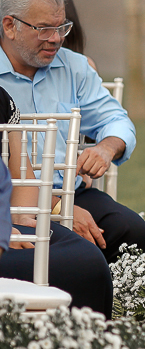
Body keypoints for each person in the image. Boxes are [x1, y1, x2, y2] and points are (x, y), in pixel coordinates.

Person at [0, 0, 145, 264]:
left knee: (131, 231)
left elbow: (116, 120)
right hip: (10, 202)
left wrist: (106, 148)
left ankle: (102, 305)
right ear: (10, 26)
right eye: (44, 29)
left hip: (73, 192)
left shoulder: (74, 67)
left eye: (62, 27)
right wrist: (58, 209)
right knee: (55, 253)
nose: (56, 38)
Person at [0, 85, 113, 315]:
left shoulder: (1, 99)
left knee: (89, 259)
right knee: (71, 265)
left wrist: (20, 215)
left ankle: (86, 346)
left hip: (9, 217)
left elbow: (22, 175)